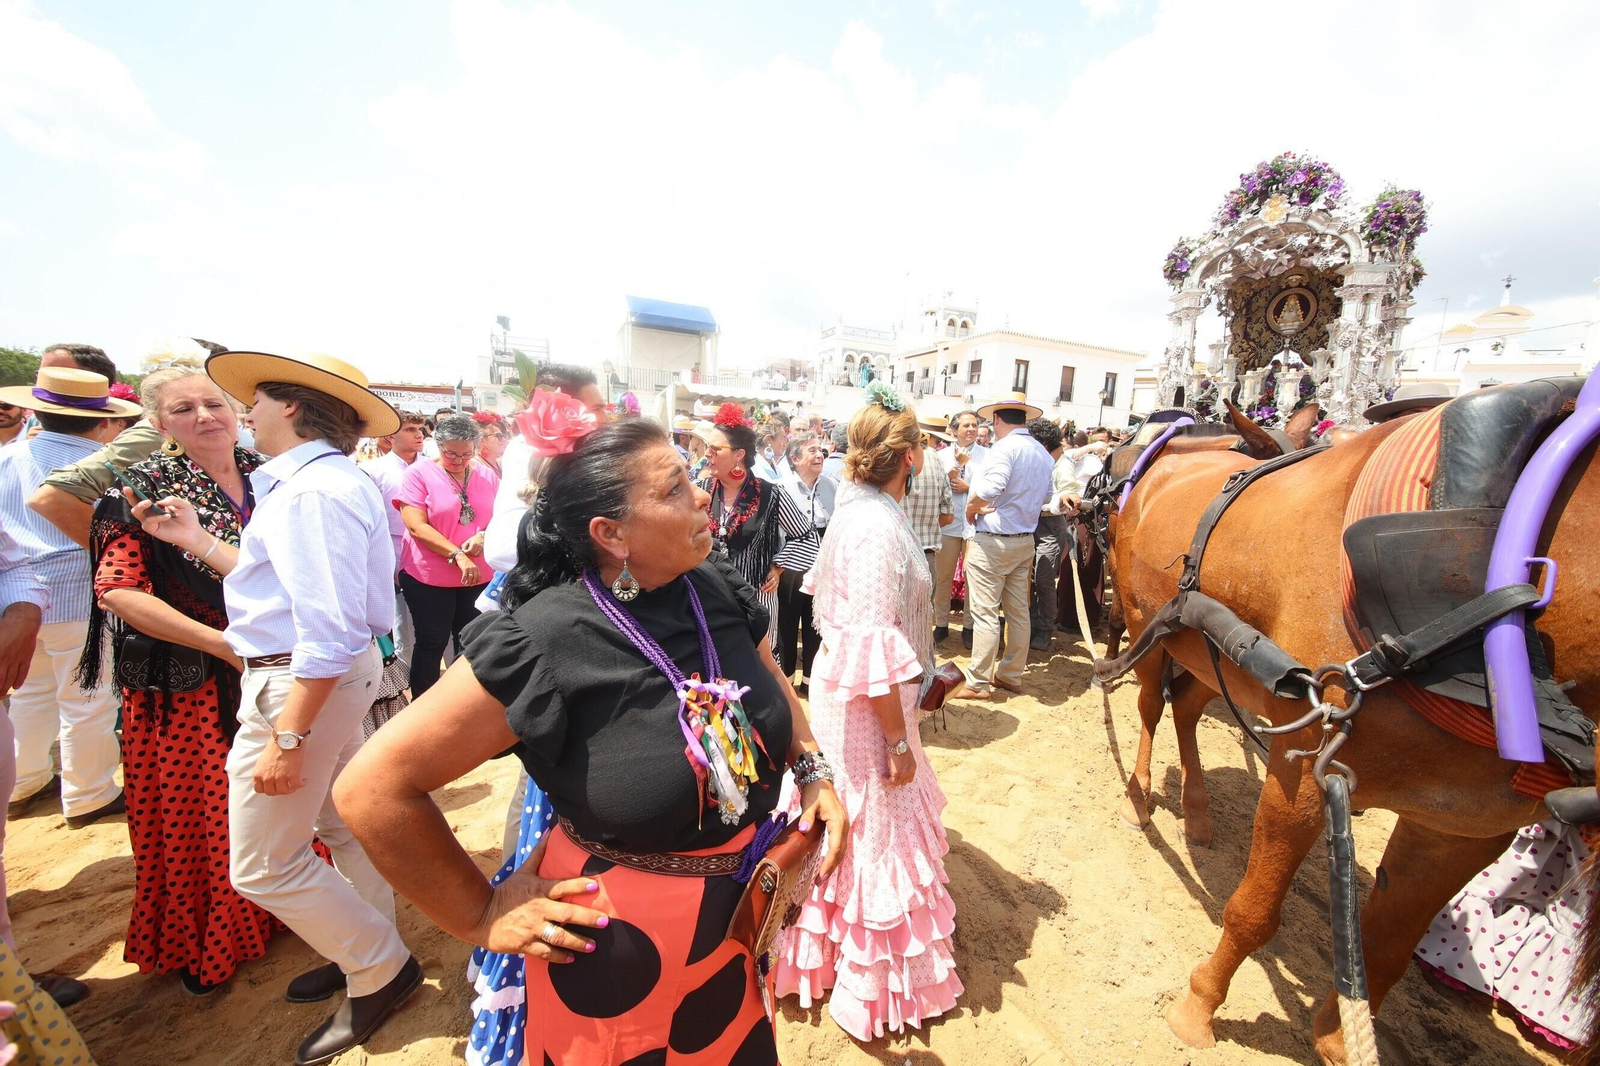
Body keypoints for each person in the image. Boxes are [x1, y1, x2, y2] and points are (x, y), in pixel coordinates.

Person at [331, 418, 848, 1066]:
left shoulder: (710, 583)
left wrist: (814, 770)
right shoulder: (543, 640)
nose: (699, 494)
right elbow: (371, 788)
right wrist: (479, 914)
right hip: (616, 951)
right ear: (611, 534)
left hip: (736, 928)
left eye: (692, 476)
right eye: (673, 488)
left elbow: (770, 676)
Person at [128, 350, 417, 1065]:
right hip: (314, 677)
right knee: (337, 824)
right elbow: (282, 585)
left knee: (263, 865)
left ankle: (379, 963)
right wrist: (195, 540)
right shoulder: (315, 483)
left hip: (300, 682)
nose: (242, 411)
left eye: (252, 399)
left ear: (290, 406)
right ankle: (367, 953)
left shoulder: (311, 491)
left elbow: (325, 628)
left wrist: (286, 738)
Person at [77, 367, 283, 997]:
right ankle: (208, 940)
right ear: (160, 424)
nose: (204, 416)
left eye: (214, 403)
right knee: (205, 815)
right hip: (190, 683)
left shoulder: (268, 477)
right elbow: (117, 592)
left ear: (236, 410)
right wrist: (223, 646)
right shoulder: (137, 493)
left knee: (279, 798)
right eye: (184, 408)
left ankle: (280, 909)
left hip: (271, 664)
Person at [775, 388, 962, 1038]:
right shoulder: (878, 525)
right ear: (908, 456)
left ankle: (818, 957)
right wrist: (900, 741)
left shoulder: (860, 510)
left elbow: (841, 620)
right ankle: (863, 981)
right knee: (868, 821)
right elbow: (874, 639)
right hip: (864, 708)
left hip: (845, 692)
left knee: (841, 816)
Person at [0, 366, 138, 832]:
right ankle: (89, 792)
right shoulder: (106, 463)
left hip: (17, 598)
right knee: (87, 697)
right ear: (102, 420)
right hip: (80, 590)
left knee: (30, 692)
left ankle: (23, 781)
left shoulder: (8, 456)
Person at [698, 404, 817, 651]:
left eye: (715, 448)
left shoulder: (770, 494)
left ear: (739, 454)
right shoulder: (701, 489)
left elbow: (807, 537)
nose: (707, 453)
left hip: (756, 602)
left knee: (758, 670)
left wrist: (778, 566)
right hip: (709, 602)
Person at [396, 414, 498, 696]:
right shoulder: (418, 474)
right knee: (432, 642)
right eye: (450, 453)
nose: (458, 460)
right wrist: (457, 554)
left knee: (470, 643)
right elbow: (416, 525)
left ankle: (461, 702)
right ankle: (422, 707)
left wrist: (484, 536)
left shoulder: (485, 474)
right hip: (430, 576)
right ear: (437, 445)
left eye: (466, 454)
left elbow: (500, 516)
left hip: (476, 576)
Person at [963, 393, 1053, 700]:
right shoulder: (1041, 452)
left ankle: (977, 682)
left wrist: (972, 508)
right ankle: (1011, 674)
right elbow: (1045, 497)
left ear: (998, 420)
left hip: (994, 542)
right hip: (1024, 541)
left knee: (986, 614)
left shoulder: (1004, 449)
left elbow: (991, 488)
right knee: (1018, 612)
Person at [24, 344, 159, 549]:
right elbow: (48, 500)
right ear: (106, 419)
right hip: (89, 580)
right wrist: (120, 558)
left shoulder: (8, 455)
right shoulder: (126, 464)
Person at [361, 409, 426, 670]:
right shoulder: (373, 471)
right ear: (391, 435)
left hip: (434, 551)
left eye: (420, 429)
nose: (419, 434)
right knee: (403, 624)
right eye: (410, 429)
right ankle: (406, 683)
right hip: (394, 551)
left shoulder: (434, 466)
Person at [774, 432, 834, 688]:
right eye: (812, 450)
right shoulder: (780, 489)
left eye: (820, 450)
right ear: (795, 458)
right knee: (786, 625)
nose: (819, 454)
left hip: (823, 568)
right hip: (789, 567)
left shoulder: (832, 486)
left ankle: (811, 682)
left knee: (816, 626)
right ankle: (786, 681)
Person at [934, 410, 988, 647]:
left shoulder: (988, 456)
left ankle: (969, 626)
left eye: (974, 425)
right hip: (947, 524)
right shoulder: (941, 456)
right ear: (954, 430)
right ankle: (942, 624)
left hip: (975, 525)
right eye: (966, 425)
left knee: (973, 578)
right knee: (943, 577)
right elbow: (936, 484)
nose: (971, 429)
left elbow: (992, 487)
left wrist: (969, 487)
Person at [1025, 417, 1072, 652]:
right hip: (1028, 526)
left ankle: (1044, 630)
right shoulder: (1031, 460)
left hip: (1050, 529)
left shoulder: (1061, 463)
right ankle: (1030, 626)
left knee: (1043, 580)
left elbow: (1069, 492)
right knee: (1026, 582)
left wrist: (1064, 498)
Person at [902, 414, 954, 585]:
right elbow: (947, 516)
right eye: (939, 441)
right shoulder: (936, 460)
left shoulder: (892, 456)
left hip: (895, 550)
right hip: (926, 552)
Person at [751, 411, 791, 482]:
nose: (785, 443)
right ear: (768, 439)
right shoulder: (754, 468)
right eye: (782, 438)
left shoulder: (772, 463)